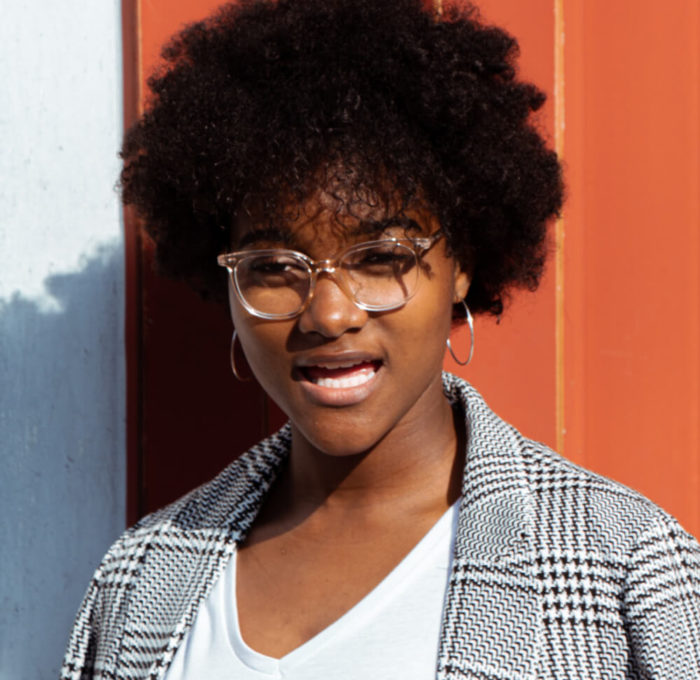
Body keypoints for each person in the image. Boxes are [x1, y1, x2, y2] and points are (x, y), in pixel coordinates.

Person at [61, 0, 700, 678]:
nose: (329, 314)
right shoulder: (141, 574)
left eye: (380, 258)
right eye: (275, 267)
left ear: (461, 266)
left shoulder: (626, 569)